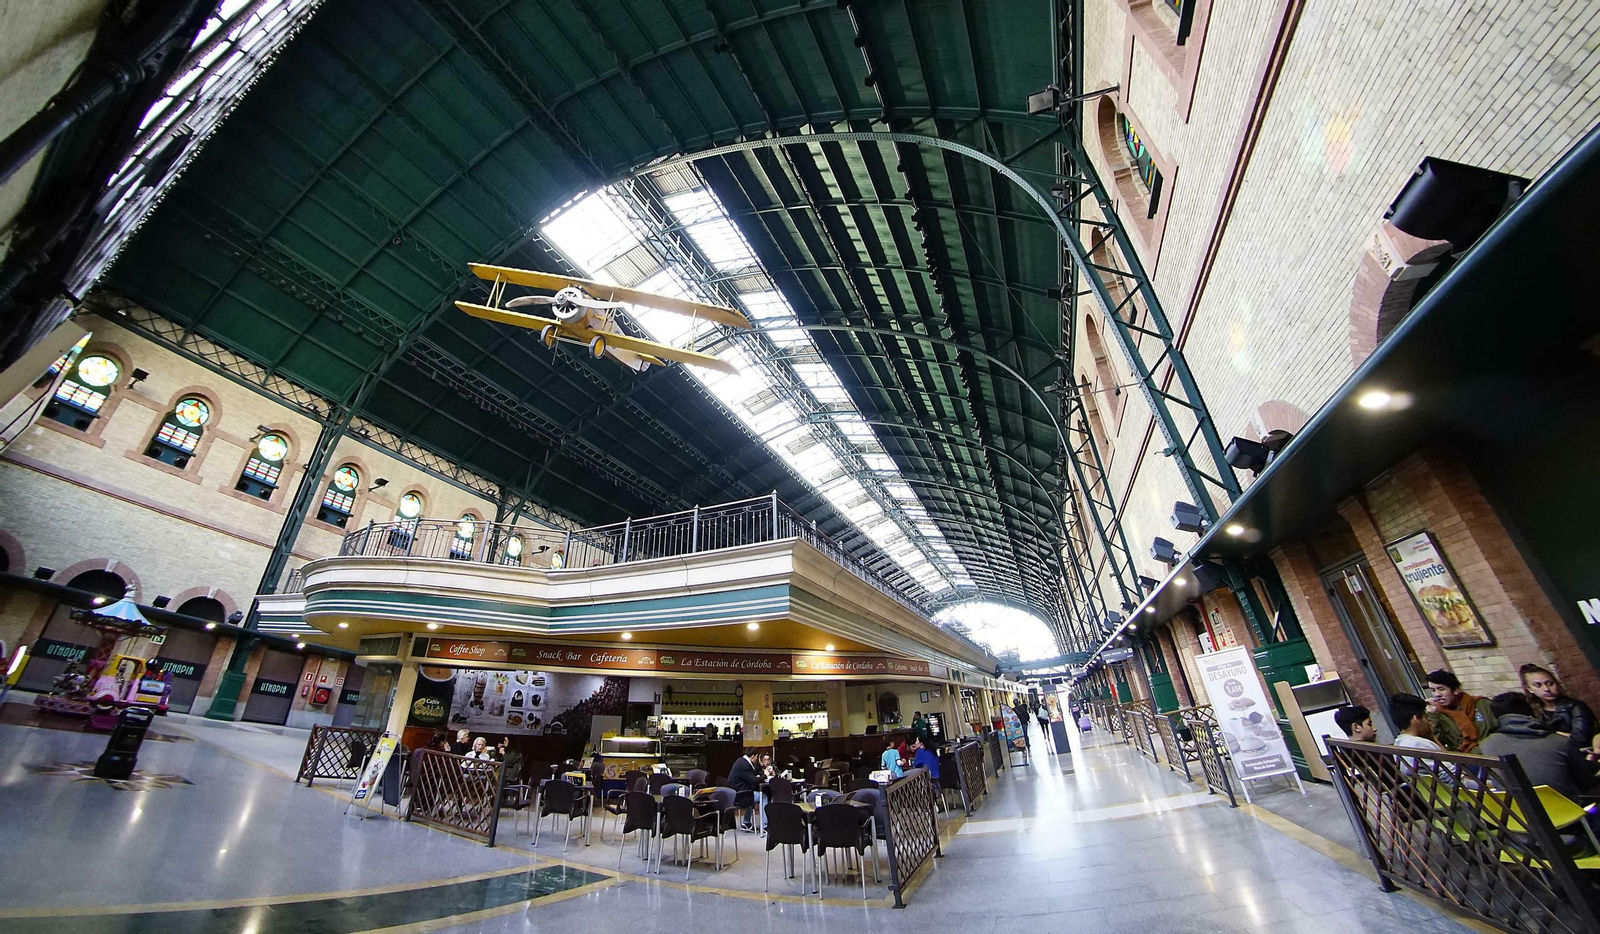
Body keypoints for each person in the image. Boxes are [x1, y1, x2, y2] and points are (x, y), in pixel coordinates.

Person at [1477, 692, 1589, 799]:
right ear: (1531, 711)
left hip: (1518, 815)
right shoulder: (1559, 741)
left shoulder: (1486, 745)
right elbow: (1585, 782)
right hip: (1569, 811)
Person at [1521, 663, 1596, 751]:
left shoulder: (1575, 706)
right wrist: (1560, 735)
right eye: (1538, 685)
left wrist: (1551, 735)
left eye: (1550, 683)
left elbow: (1580, 740)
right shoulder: (1531, 712)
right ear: (1529, 689)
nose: (1546, 689)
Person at [1424, 669, 1496, 753]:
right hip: (1466, 760)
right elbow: (1438, 743)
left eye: (1441, 689)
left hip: (1492, 753)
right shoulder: (1438, 715)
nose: (1437, 694)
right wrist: (1433, 716)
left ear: (1455, 690)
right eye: (1433, 690)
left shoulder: (1482, 704)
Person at [727, 747, 763, 831]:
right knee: (763, 796)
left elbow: (752, 773)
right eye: (756, 757)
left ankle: (746, 822)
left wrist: (761, 773)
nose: (757, 759)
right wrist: (765, 775)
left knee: (753, 794)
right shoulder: (745, 765)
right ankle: (764, 825)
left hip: (734, 793)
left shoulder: (741, 761)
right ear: (753, 756)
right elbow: (753, 781)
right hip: (740, 795)